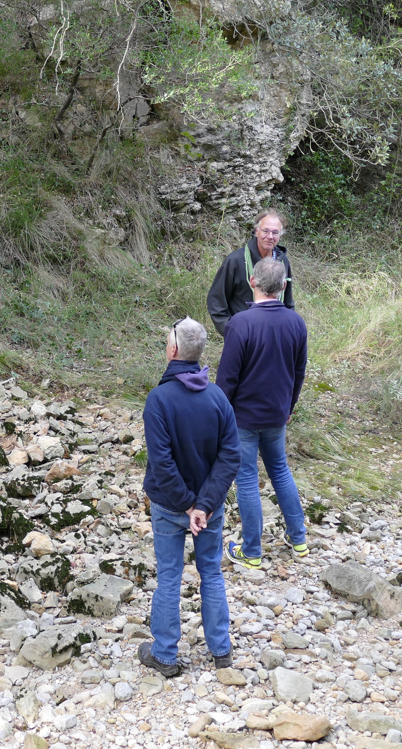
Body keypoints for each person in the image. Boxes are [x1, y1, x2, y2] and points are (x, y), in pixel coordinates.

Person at [138, 317, 240, 677]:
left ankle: (165, 654)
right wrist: (204, 504)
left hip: (171, 506)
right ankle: (221, 650)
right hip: (206, 509)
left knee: (169, 576)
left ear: (173, 351)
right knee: (210, 573)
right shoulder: (217, 399)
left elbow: (162, 465)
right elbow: (231, 457)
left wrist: (188, 505)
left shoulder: (159, 400)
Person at [216, 256, 309, 570]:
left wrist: (220, 415)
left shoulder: (239, 323)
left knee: (246, 480)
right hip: (277, 414)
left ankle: (252, 551)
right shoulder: (296, 322)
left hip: (243, 417)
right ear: (283, 287)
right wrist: (289, 408)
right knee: (280, 471)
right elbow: (299, 373)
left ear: (253, 282)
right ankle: (298, 539)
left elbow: (227, 378)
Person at [206, 208, 294, 337]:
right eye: (266, 231)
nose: (270, 237)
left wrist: (287, 330)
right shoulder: (235, 261)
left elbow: (288, 301)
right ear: (256, 231)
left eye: (275, 232)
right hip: (244, 336)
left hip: (275, 336)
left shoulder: (282, 261)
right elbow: (216, 301)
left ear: (280, 235)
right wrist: (231, 332)